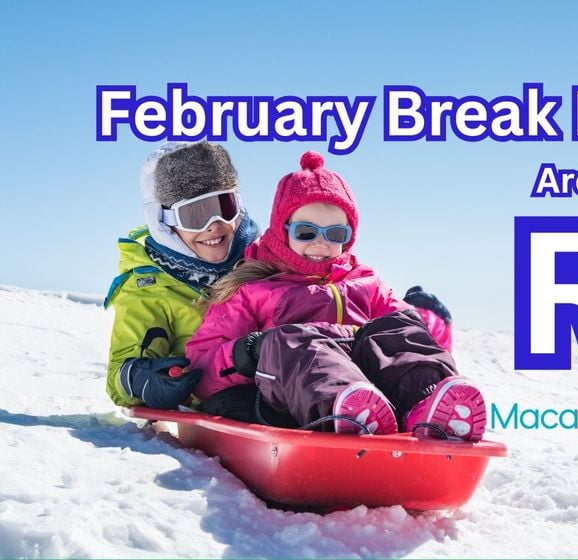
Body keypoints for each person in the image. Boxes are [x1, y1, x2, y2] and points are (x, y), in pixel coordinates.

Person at [186, 151, 486, 440]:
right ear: (282, 230)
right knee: (290, 341)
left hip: (377, 393)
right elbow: (203, 369)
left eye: (336, 235)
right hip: (292, 400)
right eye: (306, 232)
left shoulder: (367, 283)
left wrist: (423, 321)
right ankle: (348, 411)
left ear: (349, 237)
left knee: (398, 325)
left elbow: (408, 344)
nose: (321, 243)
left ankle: (428, 407)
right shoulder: (253, 289)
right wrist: (247, 353)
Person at [104, 141, 259, 409]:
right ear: (164, 222)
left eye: (224, 207)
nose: (214, 226)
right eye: (195, 215)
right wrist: (142, 378)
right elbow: (121, 370)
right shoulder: (150, 288)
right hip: (220, 400)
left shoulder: (262, 264)